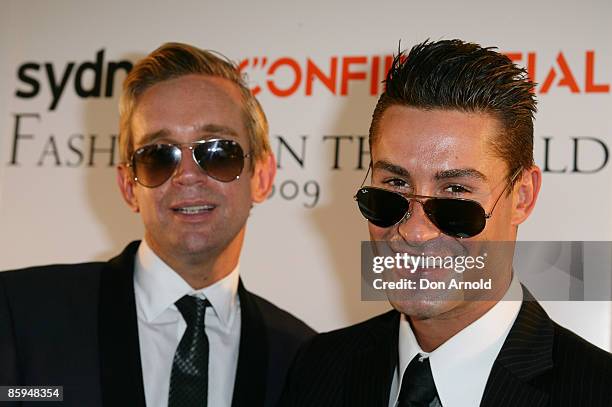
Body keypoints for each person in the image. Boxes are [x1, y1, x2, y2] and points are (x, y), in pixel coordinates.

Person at [280, 39, 612, 406]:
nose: (415, 231)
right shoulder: (319, 368)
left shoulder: (597, 391)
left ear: (523, 196)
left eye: (455, 193)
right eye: (394, 185)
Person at [0, 42, 314, 407]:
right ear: (127, 186)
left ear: (262, 175)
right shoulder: (21, 314)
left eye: (216, 152)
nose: (187, 176)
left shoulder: (303, 358)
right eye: (158, 156)